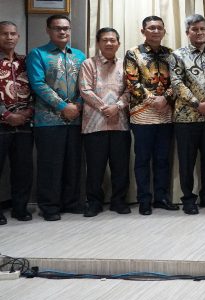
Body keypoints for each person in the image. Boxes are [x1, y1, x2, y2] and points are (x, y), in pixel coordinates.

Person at [26, 14, 86, 221]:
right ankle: (49, 206)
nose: (63, 32)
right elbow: (38, 84)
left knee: (73, 162)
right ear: (48, 30)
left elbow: (84, 85)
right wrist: (62, 106)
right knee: (50, 164)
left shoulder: (79, 55)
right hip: (48, 120)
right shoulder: (37, 54)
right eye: (58, 28)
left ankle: (71, 202)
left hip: (76, 118)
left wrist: (77, 105)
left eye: (66, 28)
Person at [169, 14, 205, 214]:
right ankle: (188, 198)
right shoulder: (177, 55)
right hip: (186, 118)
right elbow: (176, 83)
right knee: (186, 161)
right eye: (195, 29)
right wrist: (197, 104)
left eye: (202, 29)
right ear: (187, 33)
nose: (199, 33)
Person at [125, 16, 177, 215]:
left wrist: (165, 98)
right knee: (143, 158)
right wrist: (152, 99)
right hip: (142, 114)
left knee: (163, 158)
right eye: (151, 28)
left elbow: (177, 80)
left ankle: (162, 197)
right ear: (143, 31)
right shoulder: (133, 53)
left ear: (164, 31)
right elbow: (132, 81)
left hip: (165, 113)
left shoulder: (171, 54)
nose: (155, 31)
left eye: (159, 28)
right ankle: (144, 199)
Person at [79, 27, 131, 217]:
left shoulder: (126, 65)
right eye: (104, 40)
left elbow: (130, 90)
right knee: (95, 167)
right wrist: (105, 108)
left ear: (118, 43)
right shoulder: (88, 64)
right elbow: (85, 90)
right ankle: (94, 202)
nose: (109, 43)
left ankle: (119, 201)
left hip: (120, 123)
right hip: (94, 124)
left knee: (121, 166)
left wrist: (116, 106)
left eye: (112, 40)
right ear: (98, 43)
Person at [0, 21, 34, 224]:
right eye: (4, 34)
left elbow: (36, 89)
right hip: (1, 123)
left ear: (18, 37)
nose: (9, 37)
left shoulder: (25, 61)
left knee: (23, 169)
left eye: (13, 34)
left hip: (24, 123)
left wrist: (27, 113)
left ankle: (20, 208)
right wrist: (6, 115)